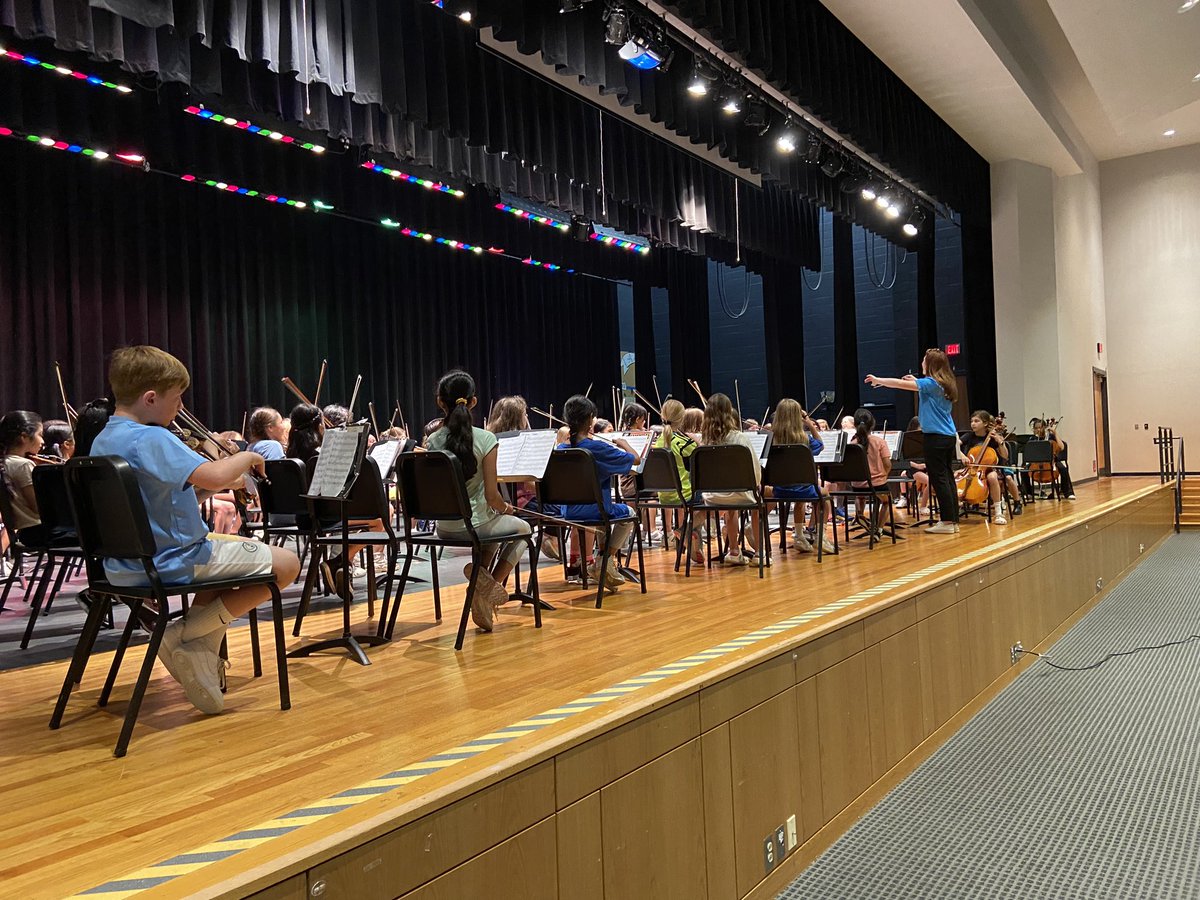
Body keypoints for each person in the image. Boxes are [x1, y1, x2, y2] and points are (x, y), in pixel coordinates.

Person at [90, 346, 300, 715]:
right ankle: (185, 634)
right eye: (177, 398)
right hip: (172, 560)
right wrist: (249, 456)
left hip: (126, 563)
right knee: (287, 565)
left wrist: (214, 484)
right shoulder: (149, 438)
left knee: (231, 557)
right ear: (151, 398)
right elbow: (216, 472)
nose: (181, 407)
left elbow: (171, 493)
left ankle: (199, 648)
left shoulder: (106, 437)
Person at [426, 371, 532, 631]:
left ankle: (480, 585)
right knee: (523, 530)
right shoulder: (486, 439)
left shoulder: (432, 440)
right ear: (473, 402)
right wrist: (507, 508)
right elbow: (492, 498)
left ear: (441, 402)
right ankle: (486, 588)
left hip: (444, 526)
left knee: (494, 529)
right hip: (475, 525)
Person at [866, 349, 960, 534]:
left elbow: (899, 384)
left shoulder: (930, 383)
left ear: (931, 364)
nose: (922, 363)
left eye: (924, 360)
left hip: (936, 438)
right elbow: (916, 385)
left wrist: (879, 380)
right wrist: (915, 381)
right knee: (947, 478)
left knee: (939, 479)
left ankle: (947, 522)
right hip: (948, 437)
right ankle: (953, 520)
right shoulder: (944, 384)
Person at [557, 395, 642, 592]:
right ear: (589, 420)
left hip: (568, 511)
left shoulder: (561, 448)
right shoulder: (596, 447)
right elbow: (635, 460)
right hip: (595, 510)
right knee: (628, 514)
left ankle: (603, 564)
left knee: (608, 513)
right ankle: (604, 560)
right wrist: (623, 443)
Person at [762, 399, 834, 554]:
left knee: (797, 497)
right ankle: (821, 538)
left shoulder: (770, 439)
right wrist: (808, 422)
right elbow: (821, 445)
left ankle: (800, 536)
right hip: (803, 489)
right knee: (825, 495)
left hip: (778, 490)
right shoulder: (804, 440)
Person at [700, 392, 763, 565]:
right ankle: (759, 553)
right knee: (757, 504)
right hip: (740, 494)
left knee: (730, 507)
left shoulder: (703, 442)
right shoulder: (739, 438)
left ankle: (734, 551)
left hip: (711, 497)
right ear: (730, 412)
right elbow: (755, 474)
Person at [0, 410, 71, 545]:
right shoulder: (23, 465)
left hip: (28, 532)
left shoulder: (6, 462)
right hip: (39, 532)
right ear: (24, 437)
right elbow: (39, 508)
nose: (43, 441)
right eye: (40, 435)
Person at [653, 398, 703, 564]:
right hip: (684, 494)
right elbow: (703, 458)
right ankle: (686, 531)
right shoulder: (683, 442)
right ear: (682, 419)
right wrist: (698, 441)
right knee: (710, 497)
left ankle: (694, 548)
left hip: (664, 496)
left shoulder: (657, 442)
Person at [959, 411, 1011, 525]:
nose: (973, 424)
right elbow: (956, 444)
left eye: (976, 421)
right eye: (971, 421)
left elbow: (1005, 456)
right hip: (971, 468)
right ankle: (956, 507)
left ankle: (998, 512)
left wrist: (999, 442)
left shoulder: (992, 437)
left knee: (992, 477)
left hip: (989, 469)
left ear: (985, 423)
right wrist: (962, 455)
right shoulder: (969, 435)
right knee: (954, 475)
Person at [848, 408, 893, 533]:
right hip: (877, 484)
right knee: (887, 501)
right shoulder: (879, 442)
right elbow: (887, 464)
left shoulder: (852, 443)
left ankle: (860, 515)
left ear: (855, 425)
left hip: (857, 485)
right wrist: (885, 475)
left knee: (861, 496)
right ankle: (878, 530)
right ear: (872, 424)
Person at [1031, 418, 1076, 500]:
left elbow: (1062, 447)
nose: (1038, 429)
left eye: (1040, 427)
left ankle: (1067, 492)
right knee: (1023, 471)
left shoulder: (1050, 436)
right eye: (1036, 428)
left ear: (1044, 428)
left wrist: (1055, 433)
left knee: (1063, 469)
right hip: (1036, 462)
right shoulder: (1032, 439)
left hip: (1052, 461)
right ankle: (1029, 492)